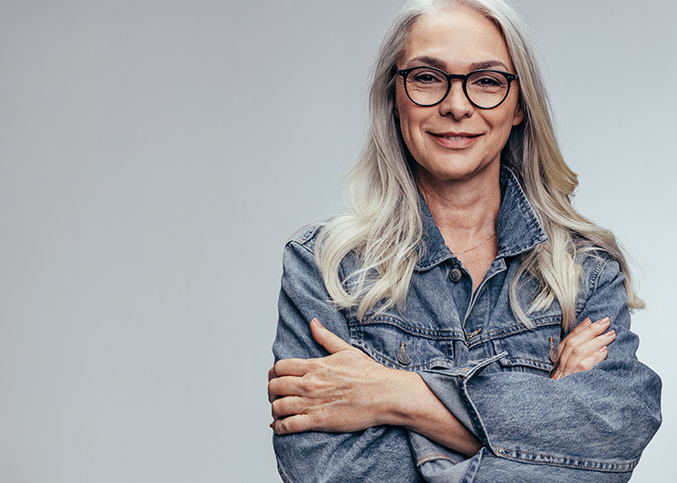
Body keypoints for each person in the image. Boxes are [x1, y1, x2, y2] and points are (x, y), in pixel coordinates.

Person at [267, 0, 662, 481]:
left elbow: (615, 441)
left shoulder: (586, 272)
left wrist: (397, 396)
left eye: (487, 81)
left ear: (520, 106)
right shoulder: (324, 268)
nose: (456, 105)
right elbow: (330, 474)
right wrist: (543, 423)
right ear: (396, 97)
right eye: (428, 77)